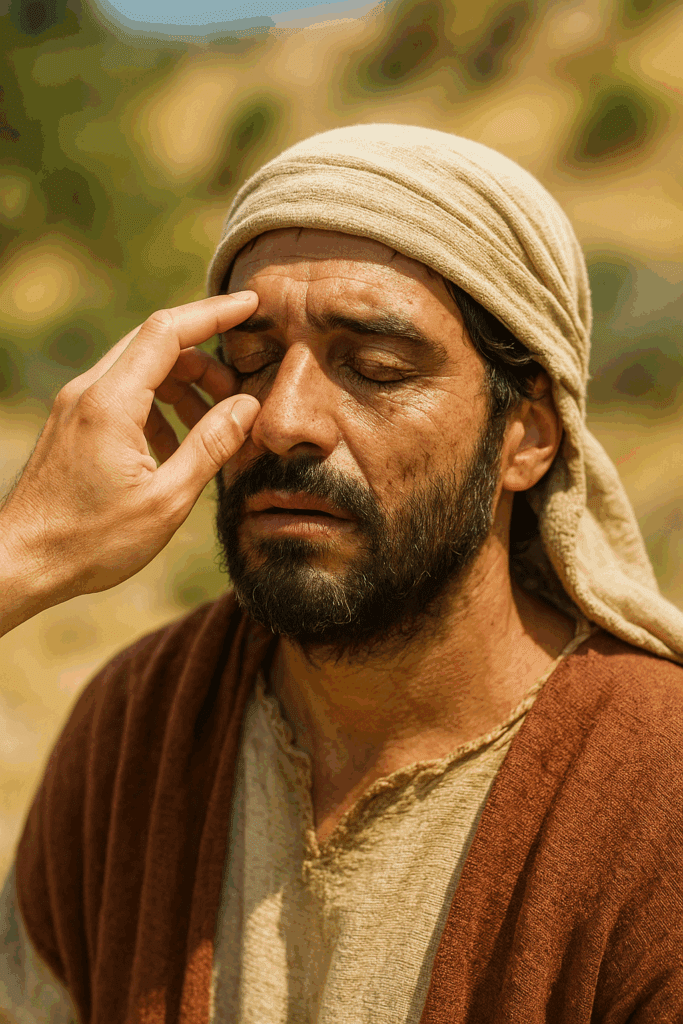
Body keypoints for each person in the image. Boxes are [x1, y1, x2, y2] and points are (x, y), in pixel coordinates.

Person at [2, 123, 683, 1024]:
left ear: (526, 439)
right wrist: (24, 555)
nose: (283, 419)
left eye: (376, 369)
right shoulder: (139, 730)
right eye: (251, 360)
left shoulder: (655, 797)